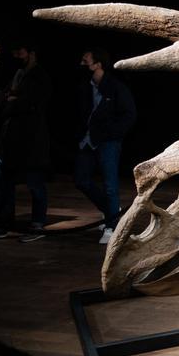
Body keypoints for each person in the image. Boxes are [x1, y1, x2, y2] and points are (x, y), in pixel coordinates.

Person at [0, 42, 52, 241]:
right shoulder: (18, 74)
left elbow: (30, 103)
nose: (17, 55)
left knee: (34, 183)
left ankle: (38, 225)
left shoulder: (39, 76)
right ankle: (2, 223)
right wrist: (11, 97)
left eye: (20, 51)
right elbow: (0, 99)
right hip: (11, 139)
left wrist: (15, 99)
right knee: (4, 182)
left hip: (31, 140)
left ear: (31, 53)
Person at [74, 47, 135, 244]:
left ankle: (111, 227)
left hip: (108, 141)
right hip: (88, 140)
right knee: (81, 180)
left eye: (88, 56)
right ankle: (110, 211)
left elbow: (129, 114)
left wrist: (113, 134)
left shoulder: (116, 87)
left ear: (98, 63)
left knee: (110, 185)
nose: (83, 58)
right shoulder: (85, 86)